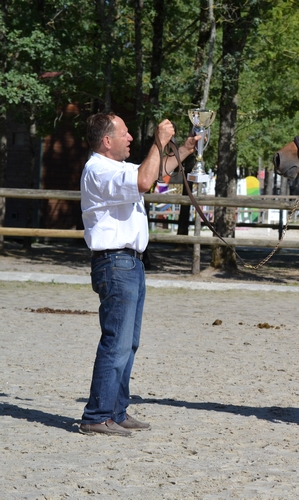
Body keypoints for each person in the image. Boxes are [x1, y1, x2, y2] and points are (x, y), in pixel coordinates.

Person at [79, 113, 199, 436]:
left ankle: (115, 410)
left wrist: (185, 149)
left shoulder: (116, 169)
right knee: (116, 341)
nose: (131, 137)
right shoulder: (98, 170)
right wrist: (158, 142)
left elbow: (155, 172)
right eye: (125, 133)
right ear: (107, 141)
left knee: (128, 343)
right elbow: (146, 182)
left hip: (129, 263)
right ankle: (97, 414)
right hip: (116, 263)